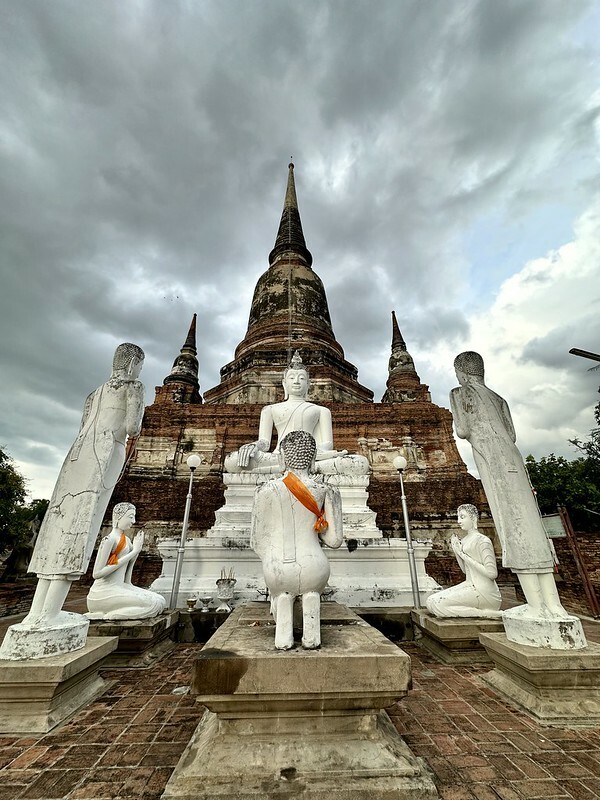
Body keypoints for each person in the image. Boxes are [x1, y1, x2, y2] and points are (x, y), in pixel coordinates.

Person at [23, 343, 145, 627]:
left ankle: (35, 614)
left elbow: (83, 427)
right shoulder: (134, 387)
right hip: (105, 454)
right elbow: (133, 428)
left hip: (77, 455)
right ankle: (51, 615)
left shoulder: (94, 394)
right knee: (80, 528)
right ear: (132, 366)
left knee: (58, 525)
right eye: (138, 366)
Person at [450, 351, 567, 619]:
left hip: (491, 459)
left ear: (462, 373)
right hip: (512, 456)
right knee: (530, 522)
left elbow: (463, 430)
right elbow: (511, 434)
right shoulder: (500, 400)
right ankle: (555, 606)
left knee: (512, 524)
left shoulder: (460, 393)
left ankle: (537, 607)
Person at [250, 430, 344, 649]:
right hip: (315, 568)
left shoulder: (264, 490)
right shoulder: (326, 490)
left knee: (283, 594)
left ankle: (283, 635)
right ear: (313, 458)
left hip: (277, 569)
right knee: (311, 593)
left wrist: (274, 560)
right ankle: (311, 636)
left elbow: (257, 541)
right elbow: (334, 540)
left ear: (281, 457)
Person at [225, 351, 368, 475]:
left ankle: (286, 470)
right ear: (284, 384)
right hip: (279, 457)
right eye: (292, 377)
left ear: (308, 384)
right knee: (233, 461)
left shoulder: (321, 411)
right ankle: (288, 469)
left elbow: (327, 444)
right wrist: (254, 446)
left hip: (310, 458)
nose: (296, 381)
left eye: (301, 378)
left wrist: (308, 454)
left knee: (359, 463)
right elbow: (265, 443)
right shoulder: (270, 410)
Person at [86, 503, 166, 620]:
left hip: (121, 586)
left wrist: (135, 553)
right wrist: (133, 553)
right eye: (130, 517)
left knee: (160, 601)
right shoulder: (109, 540)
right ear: (119, 517)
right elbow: (97, 574)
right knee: (152, 604)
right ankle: (110, 615)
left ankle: (114, 614)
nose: (133, 521)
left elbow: (127, 581)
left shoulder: (127, 540)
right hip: (103, 592)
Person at [426, 505, 502, 618]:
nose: (459, 521)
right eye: (458, 517)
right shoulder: (465, 540)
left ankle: (485, 614)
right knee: (430, 602)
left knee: (438, 605)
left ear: (473, 519)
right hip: (469, 584)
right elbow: (465, 571)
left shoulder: (483, 541)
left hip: (484, 591)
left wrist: (463, 555)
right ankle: (480, 612)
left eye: (462, 517)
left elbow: (492, 574)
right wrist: (456, 551)